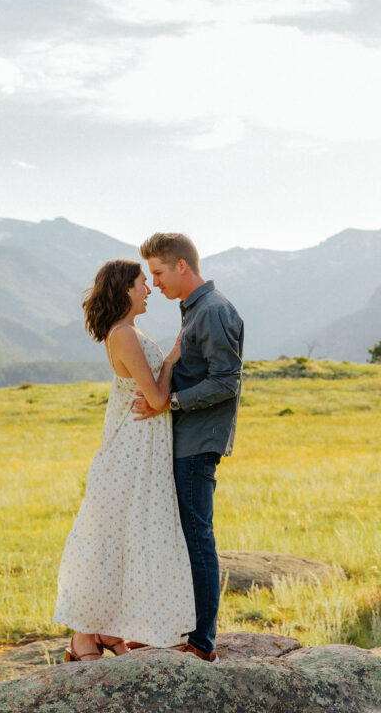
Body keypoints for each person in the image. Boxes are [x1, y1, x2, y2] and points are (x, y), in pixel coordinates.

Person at [53, 258, 196, 661]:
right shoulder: (124, 335)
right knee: (109, 543)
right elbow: (154, 398)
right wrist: (171, 359)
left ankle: (107, 632)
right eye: (141, 284)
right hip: (127, 457)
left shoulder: (129, 331)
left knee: (126, 541)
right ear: (125, 290)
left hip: (139, 454)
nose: (149, 289)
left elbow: (153, 400)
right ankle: (83, 636)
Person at [133, 233, 244, 664]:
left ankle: (202, 642)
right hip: (186, 439)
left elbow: (226, 380)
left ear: (182, 266)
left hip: (198, 443)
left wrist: (170, 402)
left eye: (158, 273)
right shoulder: (195, 309)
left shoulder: (213, 311)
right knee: (185, 536)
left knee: (197, 537)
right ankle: (186, 629)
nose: (154, 283)